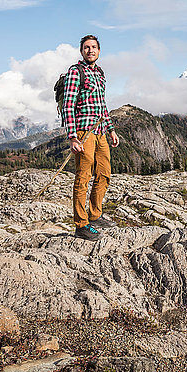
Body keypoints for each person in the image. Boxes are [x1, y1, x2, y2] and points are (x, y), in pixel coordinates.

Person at [62, 34, 119, 241]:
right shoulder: (75, 72)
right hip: (84, 133)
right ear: (81, 51)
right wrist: (72, 137)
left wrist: (111, 128)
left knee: (104, 174)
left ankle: (95, 214)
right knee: (83, 178)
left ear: (99, 50)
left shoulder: (100, 73)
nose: (90, 50)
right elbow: (68, 106)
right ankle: (81, 224)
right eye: (86, 47)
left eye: (94, 47)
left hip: (101, 131)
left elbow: (102, 104)